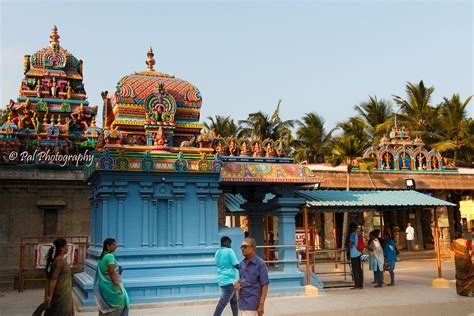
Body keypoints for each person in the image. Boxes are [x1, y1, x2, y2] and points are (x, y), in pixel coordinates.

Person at [33, 238, 74, 315]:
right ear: (62, 248)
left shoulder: (61, 260)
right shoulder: (59, 261)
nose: (68, 247)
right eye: (66, 245)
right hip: (60, 293)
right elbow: (53, 279)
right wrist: (50, 296)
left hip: (64, 292)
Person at [94, 238, 129, 316]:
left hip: (104, 287)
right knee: (122, 303)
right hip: (112, 288)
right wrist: (118, 288)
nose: (116, 246)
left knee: (106, 309)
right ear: (108, 246)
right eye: (113, 244)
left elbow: (107, 271)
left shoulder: (102, 257)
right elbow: (112, 273)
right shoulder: (110, 256)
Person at [235, 238, 269, 316]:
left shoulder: (260, 264)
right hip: (241, 304)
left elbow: (265, 285)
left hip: (253, 306)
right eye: (241, 247)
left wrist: (261, 305)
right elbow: (242, 279)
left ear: (253, 247)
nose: (242, 249)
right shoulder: (241, 264)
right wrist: (238, 283)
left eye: (245, 246)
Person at [213, 236, 239, 316]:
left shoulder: (217, 252)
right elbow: (236, 265)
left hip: (222, 279)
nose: (231, 245)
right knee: (223, 302)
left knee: (234, 300)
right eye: (230, 243)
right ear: (227, 242)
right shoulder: (229, 251)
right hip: (230, 281)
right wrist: (245, 270)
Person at [452, 230, 474, 296]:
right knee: (470, 275)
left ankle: (460, 291)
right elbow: (470, 252)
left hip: (458, 261)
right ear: (462, 235)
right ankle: (470, 290)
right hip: (466, 260)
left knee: (459, 275)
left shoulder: (454, 242)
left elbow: (454, 251)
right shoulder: (466, 242)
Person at [347, 222, 363, 289]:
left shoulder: (352, 234)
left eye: (350, 227)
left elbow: (350, 245)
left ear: (352, 228)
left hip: (354, 254)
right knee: (359, 269)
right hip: (359, 253)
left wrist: (348, 245)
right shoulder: (358, 234)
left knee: (355, 270)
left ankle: (356, 285)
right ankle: (360, 284)